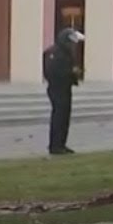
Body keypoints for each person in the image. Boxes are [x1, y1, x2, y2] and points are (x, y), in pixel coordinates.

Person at [42, 27, 84, 155]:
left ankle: (61, 144)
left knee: (64, 118)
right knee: (59, 118)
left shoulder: (65, 53)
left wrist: (74, 74)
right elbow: (52, 72)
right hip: (57, 89)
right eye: (71, 42)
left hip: (65, 88)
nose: (73, 45)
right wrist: (70, 73)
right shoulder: (55, 53)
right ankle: (55, 146)